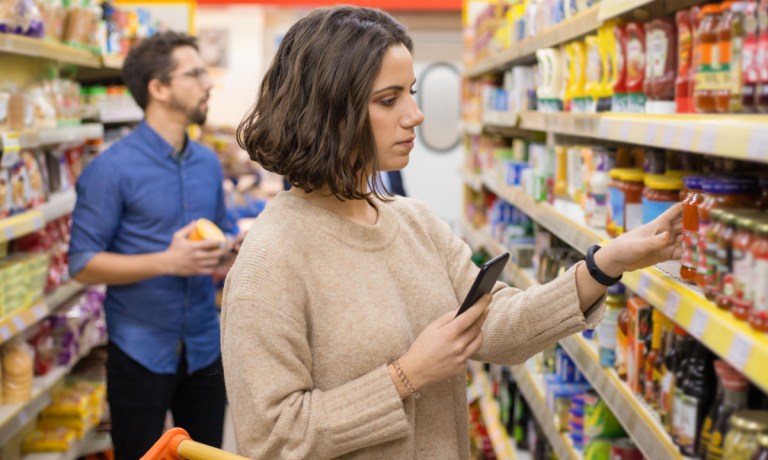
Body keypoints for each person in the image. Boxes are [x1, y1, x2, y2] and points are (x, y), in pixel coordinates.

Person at [221, 6, 682, 459]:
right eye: (389, 99)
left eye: (412, 93)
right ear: (330, 112)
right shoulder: (272, 257)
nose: (416, 115)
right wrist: (407, 375)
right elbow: (271, 439)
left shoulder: (414, 221)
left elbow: (498, 326)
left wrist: (605, 265)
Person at [68, 31, 232, 460]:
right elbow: (83, 263)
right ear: (158, 89)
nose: (207, 83)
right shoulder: (110, 169)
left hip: (203, 345)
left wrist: (232, 248)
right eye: (194, 73)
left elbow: (222, 228)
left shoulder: (207, 163)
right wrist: (167, 261)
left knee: (206, 454)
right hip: (140, 349)